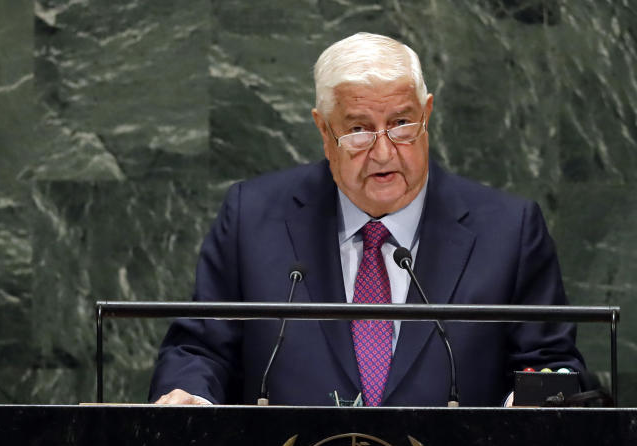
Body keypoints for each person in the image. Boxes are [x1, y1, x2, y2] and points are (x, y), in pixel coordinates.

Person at [149, 32, 585, 407]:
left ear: (427, 114)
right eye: (358, 129)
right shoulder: (253, 218)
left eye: (401, 123)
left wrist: (529, 405)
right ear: (324, 131)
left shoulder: (508, 230)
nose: (382, 152)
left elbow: (551, 363)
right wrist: (190, 395)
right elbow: (199, 348)